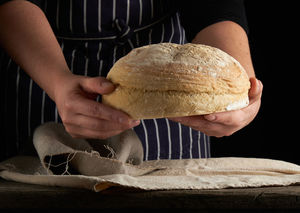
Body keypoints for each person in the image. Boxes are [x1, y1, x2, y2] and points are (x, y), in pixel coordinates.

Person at [0, 0, 262, 162]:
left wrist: (238, 88)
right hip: (45, 77)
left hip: (170, 98)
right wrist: (58, 82)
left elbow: (215, 7)